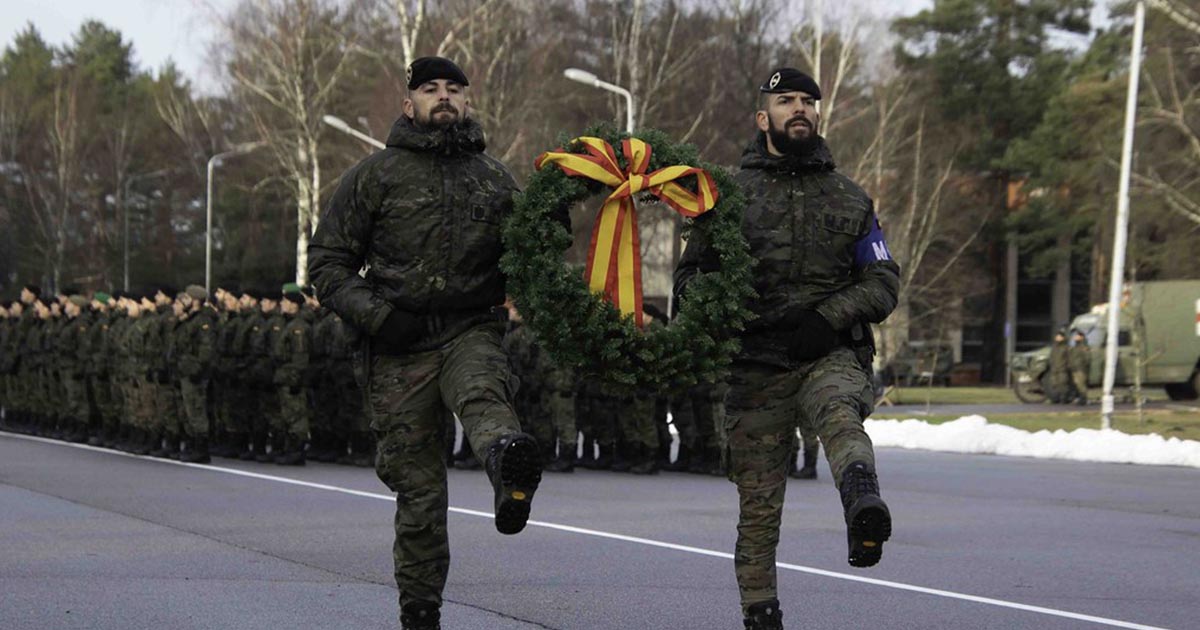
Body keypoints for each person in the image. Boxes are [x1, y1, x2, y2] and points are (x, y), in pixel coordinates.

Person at [308, 56, 541, 630]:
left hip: (469, 330)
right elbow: (328, 263)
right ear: (408, 103)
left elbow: (528, 263)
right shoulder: (375, 176)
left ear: (467, 101)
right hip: (397, 346)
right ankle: (420, 609)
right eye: (430, 89)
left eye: (453, 89)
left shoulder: (494, 177)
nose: (443, 97)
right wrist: (381, 317)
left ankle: (509, 467)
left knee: (485, 395)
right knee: (418, 491)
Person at [674, 67, 899, 630]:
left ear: (819, 114)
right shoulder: (724, 197)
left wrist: (828, 318)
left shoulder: (850, 197)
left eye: (807, 101)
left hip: (829, 351)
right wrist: (728, 306)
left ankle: (862, 503)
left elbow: (882, 280)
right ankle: (761, 613)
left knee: (842, 416)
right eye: (785, 100)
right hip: (755, 366)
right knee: (758, 504)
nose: (799, 108)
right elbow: (688, 282)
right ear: (762, 117)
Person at [1048, 328, 1070, 404]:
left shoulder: (1066, 347)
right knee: (1054, 384)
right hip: (1054, 369)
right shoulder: (1054, 347)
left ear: (1063, 338)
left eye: (1059, 336)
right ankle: (1055, 399)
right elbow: (1051, 357)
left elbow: (1068, 358)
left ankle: (1064, 399)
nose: (1057, 338)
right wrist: (1051, 364)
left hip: (1062, 369)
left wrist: (1066, 366)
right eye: (1057, 336)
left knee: (1063, 384)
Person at [1069, 329, 1090, 405]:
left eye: (1077, 336)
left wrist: (1082, 366)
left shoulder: (1084, 347)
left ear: (1081, 337)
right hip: (1075, 368)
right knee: (1077, 384)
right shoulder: (1075, 347)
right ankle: (1080, 399)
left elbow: (1087, 359)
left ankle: (1084, 399)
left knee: (1081, 385)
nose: (1075, 337)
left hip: (1081, 369)